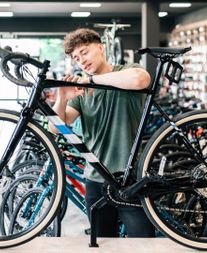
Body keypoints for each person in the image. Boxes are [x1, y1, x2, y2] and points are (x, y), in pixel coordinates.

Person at [49, 28, 155, 237]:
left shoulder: (127, 70)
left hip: (131, 179)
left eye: (84, 52)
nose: (81, 61)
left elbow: (140, 80)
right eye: (76, 58)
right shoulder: (81, 91)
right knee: (103, 244)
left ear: (100, 47)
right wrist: (62, 97)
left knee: (144, 245)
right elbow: (55, 127)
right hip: (96, 181)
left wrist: (91, 81)